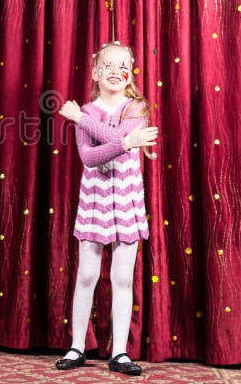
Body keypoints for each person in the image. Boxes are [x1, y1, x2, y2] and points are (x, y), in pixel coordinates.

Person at [55, 41, 158, 375]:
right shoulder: (88, 109)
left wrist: (86, 122)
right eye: (107, 66)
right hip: (96, 198)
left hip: (126, 198)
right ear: (96, 72)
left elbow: (115, 138)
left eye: (121, 66)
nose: (115, 72)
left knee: (122, 277)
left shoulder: (136, 108)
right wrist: (124, 143)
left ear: (130, 73)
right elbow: (89, 158)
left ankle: (119, 353)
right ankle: (76, 347)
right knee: (87, 274)